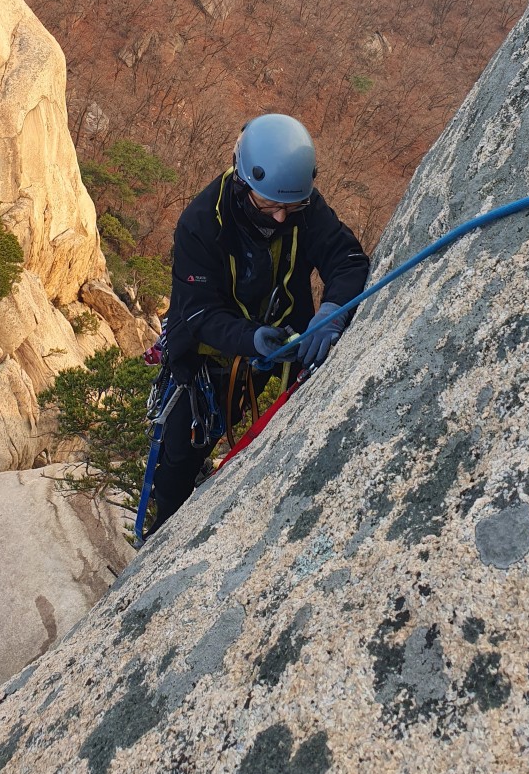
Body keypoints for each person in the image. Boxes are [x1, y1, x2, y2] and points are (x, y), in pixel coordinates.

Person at [150, 113, 370, 532]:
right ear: (242, 183)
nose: (282, 218)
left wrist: (331, 313)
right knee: (181, 455)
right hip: (208, 358)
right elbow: (197, 313)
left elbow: (348, 260)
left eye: (292, 206)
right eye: (270, 206)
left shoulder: (302, 205)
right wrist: (250, 338)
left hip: (290, 341)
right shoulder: (201, 223)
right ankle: (164, 535)